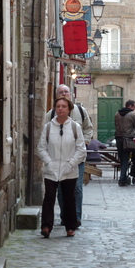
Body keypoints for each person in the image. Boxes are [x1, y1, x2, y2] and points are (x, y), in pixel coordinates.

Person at [37, 96, 87, 238]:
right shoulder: (48, 127)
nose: (60, 109)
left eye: (64, 106)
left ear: (69, 109)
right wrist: (49, 162)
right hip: (51, 170)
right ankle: (46, 226)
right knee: (49, 197)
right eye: (58, 106)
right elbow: (41, 148)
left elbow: (81, 149)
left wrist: (71, 163)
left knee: (69, 198)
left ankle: (70, 226)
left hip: (69, 169)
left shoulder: (74, 127)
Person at [45, 84, 93, 227]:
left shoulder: (80, 111)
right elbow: (45, 133)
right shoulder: (51, 114)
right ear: (56, 96)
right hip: (58, 159)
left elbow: (88, 129)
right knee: (60, 190)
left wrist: (84, 142)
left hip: (77, 158)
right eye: (61, 92)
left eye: (66, 92)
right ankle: (65, 216)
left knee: (76, 188)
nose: (64, 94)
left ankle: (76, 217)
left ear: (70, 94)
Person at [114, 99, 135, 186]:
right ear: (131, 106)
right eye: (134, 107)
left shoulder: (117, 113)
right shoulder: (133, 114)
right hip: (128, 139)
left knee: (122, 159)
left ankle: (123, 177)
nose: (134, 108)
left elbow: (116, 125)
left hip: (118, 138)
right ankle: (122, 179)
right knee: (125, 159)